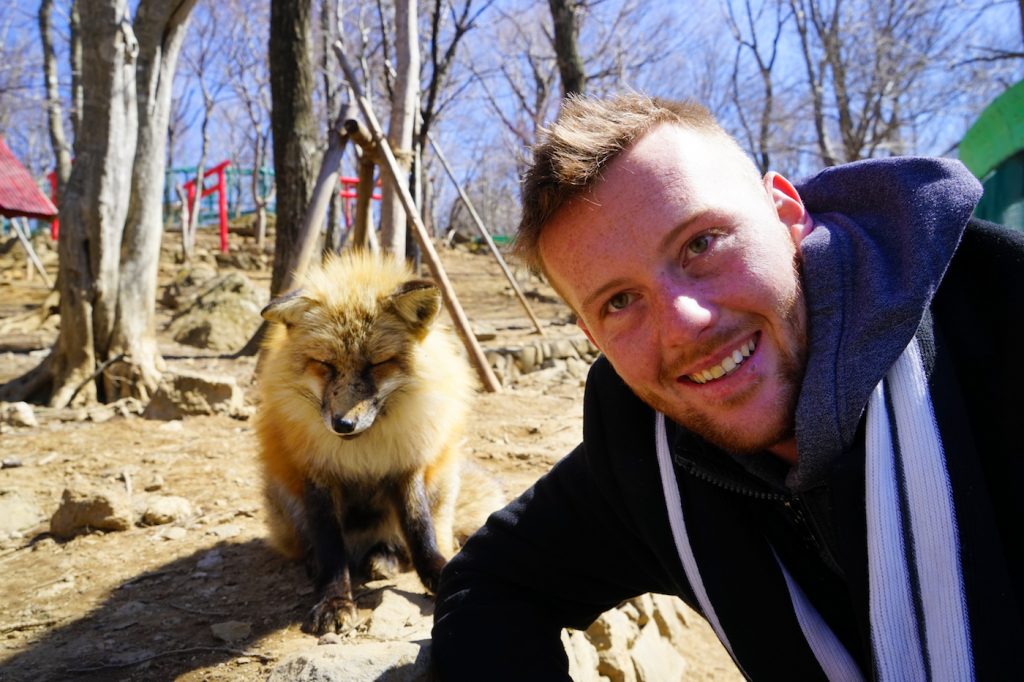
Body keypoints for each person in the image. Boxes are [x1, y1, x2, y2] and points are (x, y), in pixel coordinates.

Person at [431, 94, 1024, 680]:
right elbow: (492, 581)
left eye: (701, 244)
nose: (684, 322)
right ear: (592, 336)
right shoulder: (647, 452)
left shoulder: (999, 318)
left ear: (787, 212)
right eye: (619, 301)